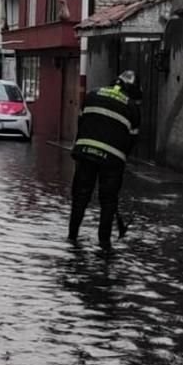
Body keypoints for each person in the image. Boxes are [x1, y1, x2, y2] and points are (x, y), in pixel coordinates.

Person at [69, 70, 141, 250]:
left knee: (80, 197)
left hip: (85, 153)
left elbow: (81, 122)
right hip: (112, 160)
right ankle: (104, 243)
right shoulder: (132, 107)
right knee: (108, 201)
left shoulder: (92, 94)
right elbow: (130, 142)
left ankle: (72, 236)